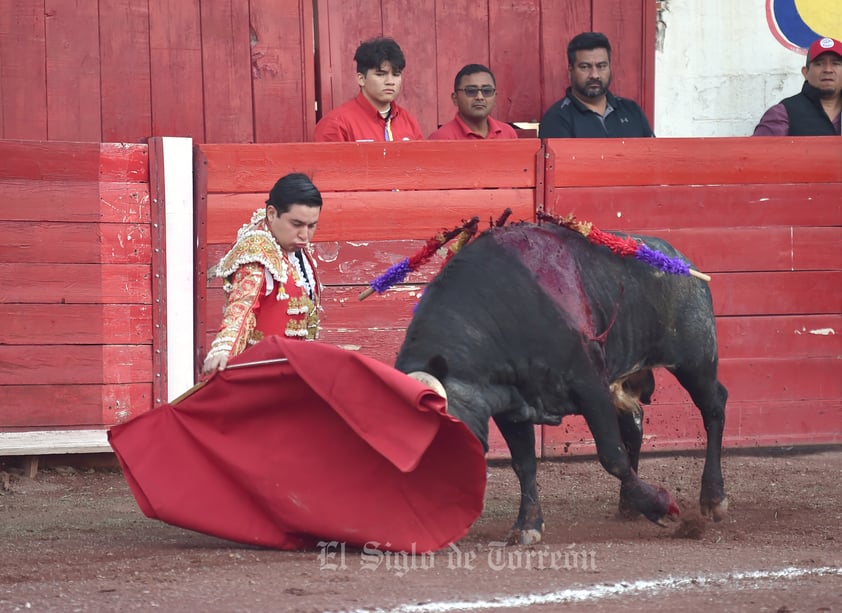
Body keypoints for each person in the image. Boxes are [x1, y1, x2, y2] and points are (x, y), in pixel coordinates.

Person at [202, 173, 323, 374]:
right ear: (272, 213)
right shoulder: (257, 251)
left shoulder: (292, 246)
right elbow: (242, 306)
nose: (304, 235)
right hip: (259, 373)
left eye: (312, 226)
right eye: (296, 224)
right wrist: (224, 349)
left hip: (292, 371)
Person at [538, 32, 653, 138]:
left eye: (601, 66)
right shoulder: (557, 119)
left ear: (610, 67)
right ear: (570, 70)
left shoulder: (632, 110)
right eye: (585, 67)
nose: (594, 75)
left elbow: (653, 155)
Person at [314, 37, 424, 142]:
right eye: (380, 74)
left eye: (396, 74)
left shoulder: (409, 121)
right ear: (361, 79)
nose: (390, 81)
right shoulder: (337, 124)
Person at [753, 36, 842, 136]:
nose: (828, 70)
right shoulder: (783, 114)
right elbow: (759, 151)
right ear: (806, 72)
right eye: (819, 64)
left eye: (836, 63)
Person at [428, 64, 518, 140]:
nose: (479, 97)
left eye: (486, 91)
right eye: (471, 91)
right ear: (455, 98)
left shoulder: (508, 133)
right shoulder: (441, 138)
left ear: (495, 97)